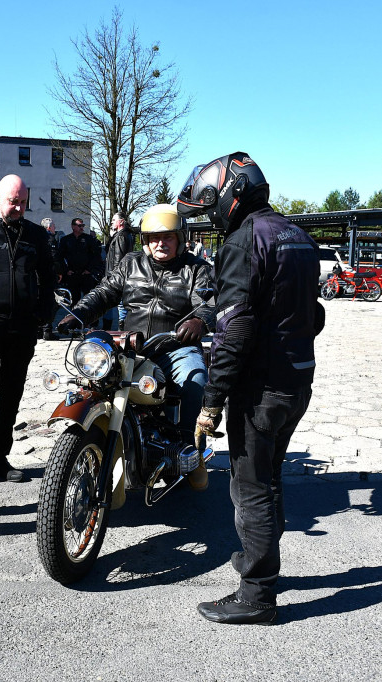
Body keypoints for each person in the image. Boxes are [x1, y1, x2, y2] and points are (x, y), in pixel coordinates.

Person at [179, 152, 325, 625]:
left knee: (250, 488)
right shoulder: (297, 234)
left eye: (211, 205)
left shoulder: (244, 241)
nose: (211, 217)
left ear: (230, 195)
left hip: (260, 388)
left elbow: (235, 330)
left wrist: (211, 401)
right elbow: (315, 315)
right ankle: (263, 570)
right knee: (270, 477)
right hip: (296, 380)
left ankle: (257, 593)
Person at [58, 204, 214, 482]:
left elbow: (208, 303)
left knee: (197, 380)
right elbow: (105, 292)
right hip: (131, 347)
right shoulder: (131, 263)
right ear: (145, 240)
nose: (160, 243)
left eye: (167, 237)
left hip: (174, 347)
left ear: (180, 238)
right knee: (92, 382)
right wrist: (77, 313)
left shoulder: (196, 268)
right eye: (154, 238)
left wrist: (199, 321)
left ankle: (189, 447)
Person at [0, 175, 57, 485]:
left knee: (11, 397)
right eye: (11, 200)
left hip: (21, 330)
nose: (16, 206)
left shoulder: (35, 235)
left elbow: (48, 277)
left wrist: (44, 314)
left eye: (21, 201)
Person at [57, 217, 103, 305]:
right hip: (72, 274)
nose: (82, 228)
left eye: (83, 225)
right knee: (74, 301)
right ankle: (75, 317)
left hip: (86, 274)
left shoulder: (89, 239)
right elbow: (59, 257)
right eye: (79, 226)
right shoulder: (66, 240)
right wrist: (66, 270)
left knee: (89, 300)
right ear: (73, 226)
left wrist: (89, 270)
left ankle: (91, 318)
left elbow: (96, 256)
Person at [102, 212, 135, 330]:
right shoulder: (123, 235)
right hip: (118, 275)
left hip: (116, 276)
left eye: (113, 220)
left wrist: (113, 277)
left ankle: (122, 330)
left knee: (120, 305)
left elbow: (118, 258)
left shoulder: (121, 236)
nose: (111, 222)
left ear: (121, 221)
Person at [40, 218, 63, 341]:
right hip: (50, 275)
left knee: (42, 301)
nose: (55, 227)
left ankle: (40, 329)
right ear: (49, 227)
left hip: (41, 275)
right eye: (53, 226)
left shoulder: (38, 238)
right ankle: (47, 330)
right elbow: (54, 258)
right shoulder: (50, 240)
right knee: (53, 302)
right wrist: (59, 272)